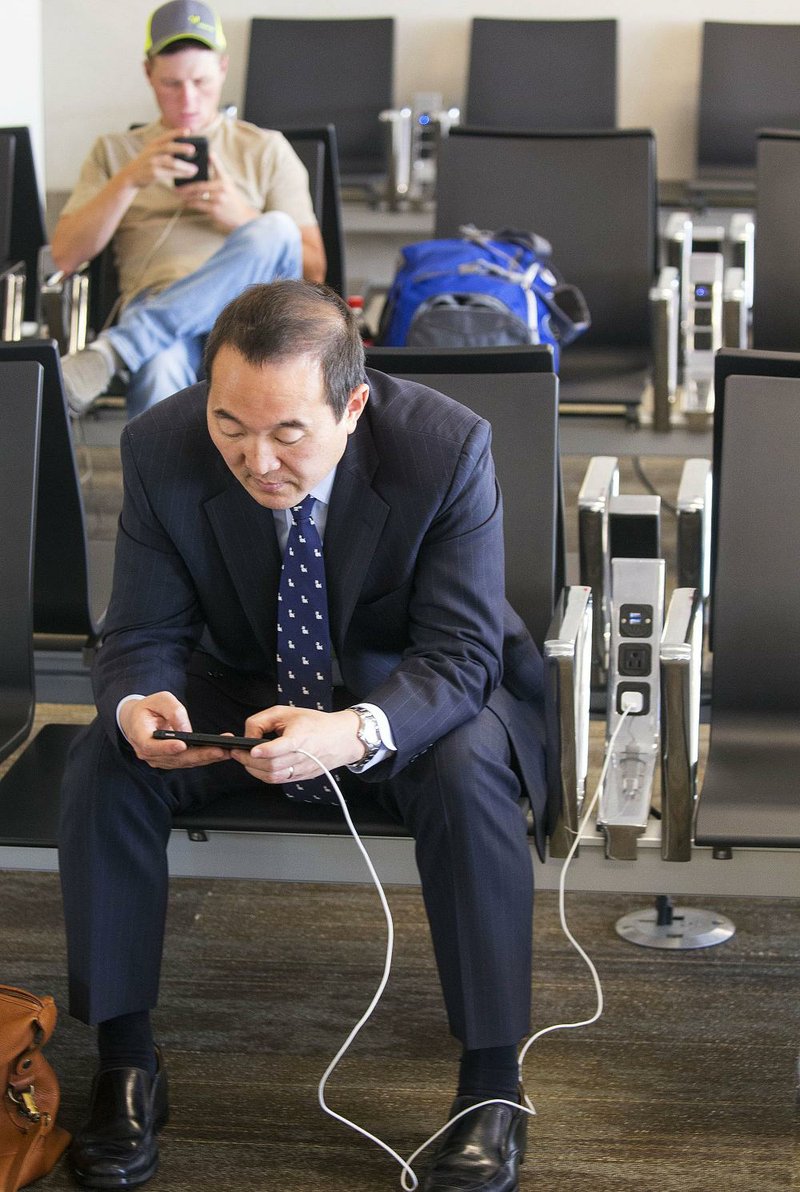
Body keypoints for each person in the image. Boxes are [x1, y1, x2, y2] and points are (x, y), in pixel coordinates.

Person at [58, 280, 548, 1192]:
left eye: (288, 433)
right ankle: (126, 1064)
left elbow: (460, 652)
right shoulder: (162, 445)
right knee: (104, 758)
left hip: (407, 689)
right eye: (232, 424)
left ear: (352, 405)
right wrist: (139, 705)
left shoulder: (444, 448)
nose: (255, 458)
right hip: (243, 685)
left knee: (471, 767)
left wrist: (354, 730)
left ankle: (492, 1084)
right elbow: (139, 635)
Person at [52, 0, 325, 419]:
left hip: (253, 316)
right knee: (160, 367)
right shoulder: (115, 152)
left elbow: (313, 270)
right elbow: (65, 256)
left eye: (200, 81)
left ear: (222, 68)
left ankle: (117, 350)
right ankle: (158, 480)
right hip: (160, 308)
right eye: (171, 84)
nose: (189, 99)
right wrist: (129, 180)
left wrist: (241, 218)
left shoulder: (265, 148)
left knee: (274, 229)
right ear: (148, 74)